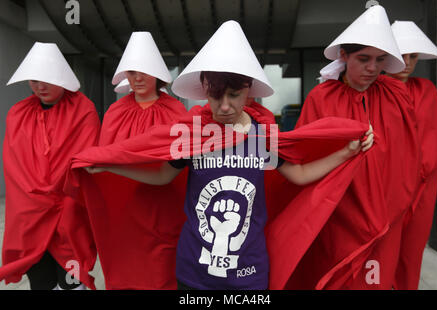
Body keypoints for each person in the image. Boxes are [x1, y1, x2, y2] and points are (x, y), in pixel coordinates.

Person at [82, 20, 373, 290]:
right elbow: (161, 176)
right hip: (193, 271)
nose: (224, 106)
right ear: (204, 90)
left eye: (233, 94)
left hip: (250, 271)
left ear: (248, 90)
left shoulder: (262, 134)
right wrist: (111, 165)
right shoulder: (192, 133)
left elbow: (300, 174)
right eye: (215, 95)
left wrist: (347, 152)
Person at [291, 5, 421, 289]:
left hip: (387, 214)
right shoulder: (321, 98)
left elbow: (408, 153)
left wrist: (398, 205)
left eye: (380, 59)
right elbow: (304, 156)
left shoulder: (396, 94)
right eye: (363, 59)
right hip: (339, 216)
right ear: (343, 55)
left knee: (377, 282)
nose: (372, 68)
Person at [83, 31, 188, 290]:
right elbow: (107, 155)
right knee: (126, 268)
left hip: (164, 206)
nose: (137, 78)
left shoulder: (176, 110)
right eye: (131, 72)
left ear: (158, 74)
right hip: (124, 208)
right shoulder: (116, 111)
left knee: (162, 273)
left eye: (144, 71)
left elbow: (182, 164)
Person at [0, 42, 100, 290]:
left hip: (68, 213)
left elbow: (83, 159)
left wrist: (55, 196)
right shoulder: (17, 113)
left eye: (46, 79)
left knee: (71, 279)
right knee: (40, 281)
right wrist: (34, 198)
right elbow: (13, 165)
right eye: (33, 80)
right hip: (29, 216)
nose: (39, 86)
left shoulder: (83, 110)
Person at [387, 20, 437, 290]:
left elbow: (435, 142)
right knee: (377, 257)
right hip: (382, 190)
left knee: (410, 255)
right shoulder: (372, 89)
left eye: (413, 56)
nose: (408, 63)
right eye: (401, 55)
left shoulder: (426, 90)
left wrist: (412, 179)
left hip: (420, 190)